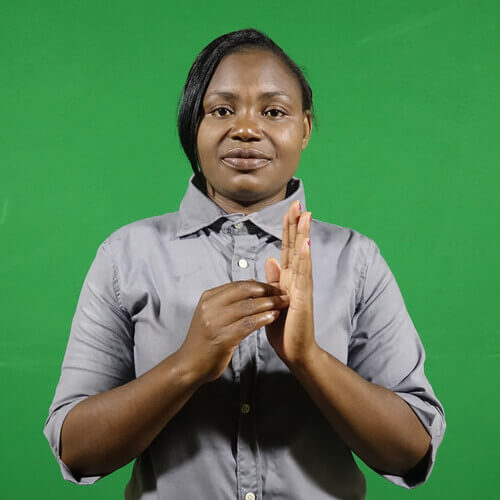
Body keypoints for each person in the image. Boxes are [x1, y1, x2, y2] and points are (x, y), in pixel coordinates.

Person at [43, 28, 446, 499]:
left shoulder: (356, 259)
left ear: (304, 129)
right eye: (221, 110)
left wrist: (308, 358)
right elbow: (76, 449)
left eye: (273, 112)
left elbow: (411, 451)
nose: (247, 129)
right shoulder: (125, 256)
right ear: (194, 126)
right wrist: (186, 366)